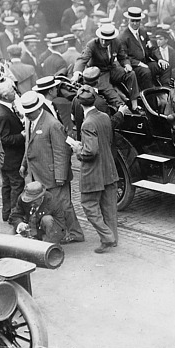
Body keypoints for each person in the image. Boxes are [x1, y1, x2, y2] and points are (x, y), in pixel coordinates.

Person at [19, 91, 85, 245]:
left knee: (63, 204)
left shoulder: (53, 124)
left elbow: (61, 152)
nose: (27, 115)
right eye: (26, 113)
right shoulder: (30, 121)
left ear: (38, 108)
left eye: (29, 113)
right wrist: (24, 164)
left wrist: (60, 177)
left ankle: (76, 233)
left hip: (53, 175)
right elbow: (28, 144)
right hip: (36, 172)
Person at [71, 87, 119, 253]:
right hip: (109, 169)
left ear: (79, 103)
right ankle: (113, 238)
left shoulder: (87, 123)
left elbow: (90, 151)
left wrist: (78, 149)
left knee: (89, 205)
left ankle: (107, 237)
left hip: (93, 173)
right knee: (109, 207)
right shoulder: (104, 116)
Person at [72, 23, 141, 111]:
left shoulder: (116, 42)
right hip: (99, 74)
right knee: (110, 92)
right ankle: (122, 108)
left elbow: (123, 57)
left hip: (111, 69)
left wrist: (127, 65)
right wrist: (77, 73)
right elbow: (82, 59)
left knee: (131, 74)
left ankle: (135, 105)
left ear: (112, 39)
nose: (104, 42)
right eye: (102, 39)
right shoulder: (92, 45)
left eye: (107, 40)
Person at [0, 80, 25, 222]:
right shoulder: (3, 114)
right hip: (12, 158)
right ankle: (14, 215)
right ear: (5, 96)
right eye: (12, 92)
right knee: (16, 185)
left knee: (7, 186)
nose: (15, 93)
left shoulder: (3, 109)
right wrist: (21, 135)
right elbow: (4, 138)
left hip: (7, 159)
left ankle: (7, 213)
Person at [118, 7, 170, 90]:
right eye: (132, 21)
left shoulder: (143, 32)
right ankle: (150, 98)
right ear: (128, 20)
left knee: (165, 66)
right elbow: (124, 57)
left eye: (137, 21)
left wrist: (160, 59)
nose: (135, 23)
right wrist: (138, 63)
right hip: (134, 67)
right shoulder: (123, 37)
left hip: (146, 63)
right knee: (146, 72)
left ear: (140, 21)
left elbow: (151, 49)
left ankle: (166, 92)